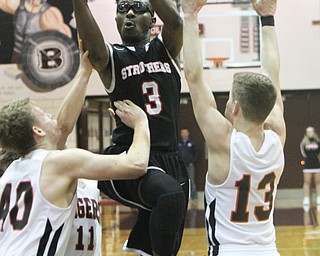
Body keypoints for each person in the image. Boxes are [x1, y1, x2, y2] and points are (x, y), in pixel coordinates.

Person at [0, 40, 150, 255]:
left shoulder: (11, 174)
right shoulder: (58, 163)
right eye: (44, 115)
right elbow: (136, 164)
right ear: (38, 131)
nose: (51, 116)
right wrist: (141, 123)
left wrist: (84, 71)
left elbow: (62, 127)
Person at [73, 0, 189, 255]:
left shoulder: (166, 49)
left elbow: (177, 23)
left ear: (152, 18)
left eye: (137, 6)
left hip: (169, 159)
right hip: (127, 158)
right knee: (169, 197)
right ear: (115, 19)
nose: (129, 13)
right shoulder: (112, 57)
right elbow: (93, 49)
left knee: (157, 241)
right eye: (122, 8)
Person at [182, 0, 286, 255]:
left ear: (235, 107)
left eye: (229, 98)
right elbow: (273, 75)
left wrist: (190, 15)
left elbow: (193, 78)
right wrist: (268, 18)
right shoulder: (277, 137)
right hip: (269, 250)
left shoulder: (225, 141)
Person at [0, 0, 72, 63]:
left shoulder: (49, 14)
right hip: (16, 61)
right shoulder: (15, 4)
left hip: (36, 63)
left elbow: (66, 41)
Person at [300, 126, 320, 207]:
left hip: (317, 165)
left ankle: (319, 198)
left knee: (318, 182)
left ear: (314, 132)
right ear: (306, 133)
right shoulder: (304, 143)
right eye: (308, 131)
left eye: (311, 131)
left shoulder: (318, 142)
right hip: (308, 165)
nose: (310, 133)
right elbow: (303, 153)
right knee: (306, 182)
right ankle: (306, 198)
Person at [178, 127, 199, 200]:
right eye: (182, 133)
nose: (184, 134)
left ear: (188, 133)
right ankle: (182, 197)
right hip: (181, 166)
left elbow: (196, 153)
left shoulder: (192, 143)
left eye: (185, 132)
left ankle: (194, 196)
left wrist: (192, 161)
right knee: (181, 181)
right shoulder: (179, 143)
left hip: (190, 165)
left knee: (192, 181)